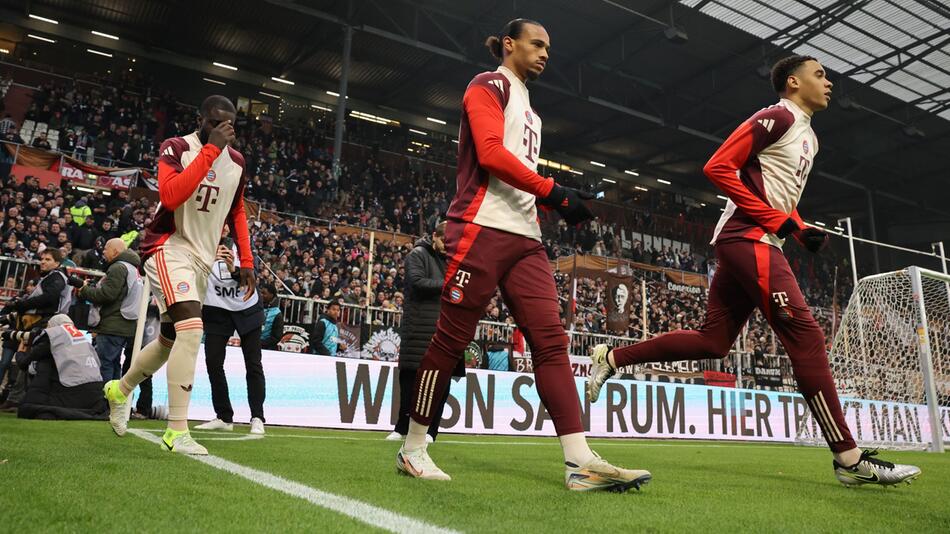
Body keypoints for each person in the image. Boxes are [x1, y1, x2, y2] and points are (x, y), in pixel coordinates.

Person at [586, 55, 920, 487]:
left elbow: (778, 195)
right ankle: (849, 460)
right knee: (807, 337)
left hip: (758, 238)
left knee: (714, 340)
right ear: (794, 83)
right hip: (749, 238)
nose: (829, 81)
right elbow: (717, 166)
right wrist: (776, 222)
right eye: (820, 74)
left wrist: (798, 229)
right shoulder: (777, 116)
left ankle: (610, 357)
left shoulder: (809, 138)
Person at [396, 18, 650, 492]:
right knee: (449, 340)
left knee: (551, 343)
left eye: (549, 47)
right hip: (480, 227)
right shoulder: (487, 84)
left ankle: (579, 462)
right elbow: (491, 155)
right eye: (537, 44)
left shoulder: (529, 106)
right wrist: (555, 193)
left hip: (526, 236)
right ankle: (412, 448)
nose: (546, 53)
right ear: (509, 45)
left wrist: (551, 203)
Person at [102, 95, 256, 456]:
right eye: (216, 122)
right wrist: (210, 151)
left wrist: (246, 260)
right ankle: (177, 431)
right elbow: (171, 197)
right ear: (200, 119)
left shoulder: (236, 163)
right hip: (168, 247)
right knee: (192, 329)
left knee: (171, 338)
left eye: (230, 124)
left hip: (202, 258)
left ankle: (120, 390)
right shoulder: (176, 147)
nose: (224, 129)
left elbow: (237, 213)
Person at [388, 220, 457, 443]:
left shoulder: (454, 259)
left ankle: (431, 431)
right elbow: (417, 283)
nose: (447, 246)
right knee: (410, 378)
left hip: (445, 328)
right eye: (444, 241)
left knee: (442, 381)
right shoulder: (417, 255)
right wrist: (449, 283)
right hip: (418, 327)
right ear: (434, 236)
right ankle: (401, 427)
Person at [195, 240, 266, 434]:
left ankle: (257, 417)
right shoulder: (200, 245)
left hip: (247, 309)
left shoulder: (244, 249)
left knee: (253, 364)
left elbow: (252, 278)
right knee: (213, 362)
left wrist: (233, 268)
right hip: (217, 310)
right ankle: (224, 416)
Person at [0, 248, 71, 411]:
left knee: (28, 359)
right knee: (30, 360)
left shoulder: (56, 277)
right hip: (44, 322)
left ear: (57, 262)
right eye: (42, 259)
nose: (43, 262)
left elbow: (50, 298)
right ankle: (19, 398)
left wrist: (24, 305)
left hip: (47, 323)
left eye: (47, 259)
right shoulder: (53, 277)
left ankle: (18, 398)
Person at [10, 314, 108, 420]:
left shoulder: (54, 336)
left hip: (72, 391)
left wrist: (20, 352)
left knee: (44, 363)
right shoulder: (84, 341)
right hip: (96, 395)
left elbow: (24, 363)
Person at [79, 238, 143, 381]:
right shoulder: (132, 268)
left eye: (106, 248)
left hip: (113, 325)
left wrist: (84, 290)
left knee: (104, 364)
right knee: (113, 364)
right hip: (123, 324)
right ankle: (112, 401)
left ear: (115, 251)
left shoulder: (118, 268)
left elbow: (107, 295)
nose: (103, 251)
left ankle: (104, 401)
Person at [258, 282, 284, 351]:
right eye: (260, 292)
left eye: (264, 293)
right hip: (252, 344)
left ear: (271, 295)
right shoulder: (256, 307)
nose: (261, 295)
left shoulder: (277, 313)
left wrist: (261, 343)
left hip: (267, 349)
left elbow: (277, 337)